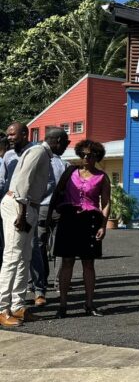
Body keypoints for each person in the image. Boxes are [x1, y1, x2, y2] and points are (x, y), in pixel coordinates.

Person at [0, 128, 69, 327]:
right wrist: (21, 213)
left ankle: (18, 307)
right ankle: (2, 309)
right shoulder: (38, 152)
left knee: (25, 258)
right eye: (65, 141)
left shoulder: (44, 154)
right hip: (19, 206)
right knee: (12, 258)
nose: (66, 145)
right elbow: (23, 180)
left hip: (28, 207)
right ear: (56, 140)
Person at [51, 140, 111, 318]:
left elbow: (106, 202)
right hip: (68, 218)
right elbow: (57, 193)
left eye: (91, 155)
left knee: (88, 263)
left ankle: (89, 304)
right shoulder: (70, 173)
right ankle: (62, 305)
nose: (86, 158)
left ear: (97, 157)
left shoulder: (102, 177)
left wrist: (103, 225)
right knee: (66, 261)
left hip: (90, 220)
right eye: (83, 154)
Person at [30, 151, 68, 307]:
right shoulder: (65, 164)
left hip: (41, 207)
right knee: (59, 247)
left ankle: (40, 282)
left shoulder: (40, 162)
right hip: (60, 207)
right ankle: (59, 282)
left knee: (39, 246)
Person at [0, 123, 34, 269]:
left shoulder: (36, 152)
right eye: (8, 135)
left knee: (30, 248)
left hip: (30, 206)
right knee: (8, 246)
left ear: (25, 134)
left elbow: (47, 180)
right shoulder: (8, 155)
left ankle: (38, 285)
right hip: (8, 205)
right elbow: (3, 180)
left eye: (12, 134)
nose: (9, 138)